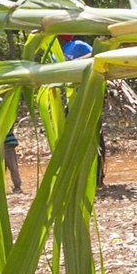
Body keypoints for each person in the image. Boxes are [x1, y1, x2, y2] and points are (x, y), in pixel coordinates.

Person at [59, 34, 108, 190]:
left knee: (94, 137)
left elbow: (98, 58)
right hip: (72, 100)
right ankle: (77, 176)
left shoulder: (79, 45)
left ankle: (98, 177)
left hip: (88, 96)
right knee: (72, 139)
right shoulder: (56, 52)